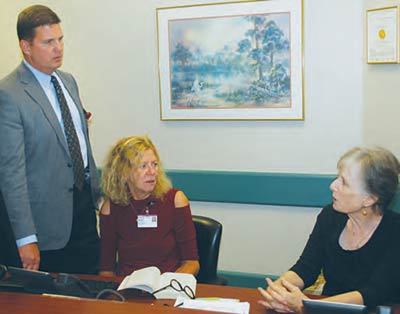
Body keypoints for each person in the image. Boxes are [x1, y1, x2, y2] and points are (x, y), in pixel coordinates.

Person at [0, 5, 100, 274]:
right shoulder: (9, 94)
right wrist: (25, 238)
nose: (58, 48)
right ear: (26, 46)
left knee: (88, 296)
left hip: (83, 215)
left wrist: (98, 194)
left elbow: (79, 145)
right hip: (45, 230)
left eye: (60, 39)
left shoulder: (68, 81)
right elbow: (11, 174)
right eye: (48, 42)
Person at [258, 147, 400, 313]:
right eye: (337, 178)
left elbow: (371, 294)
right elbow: (305, 268)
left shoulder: (395, 230)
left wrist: (307, 306)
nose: (333, 186)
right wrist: (279, 292)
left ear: (369, 199)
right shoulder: (330, 216)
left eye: (344, 182)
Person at [99, 136, 200, 277]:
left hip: (168, 287)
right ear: (123, 173)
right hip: (127, 290)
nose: (152, 172)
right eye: (143, 166)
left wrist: (170, 284)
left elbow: (192, 262)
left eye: (154, 164)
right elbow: (106, 269)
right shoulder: (110, 208)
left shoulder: (175, 200)